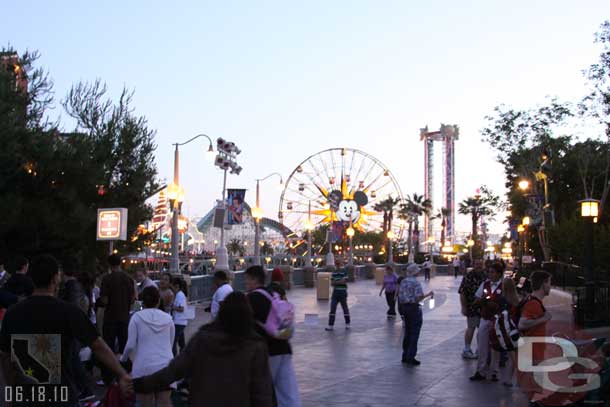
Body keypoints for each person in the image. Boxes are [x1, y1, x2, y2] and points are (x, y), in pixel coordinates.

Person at [0, 255, 132, 407]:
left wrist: (11, 390)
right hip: (61, 396)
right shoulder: (68, 312)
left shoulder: (13, 313)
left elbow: (5, 356)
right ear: (56, 278)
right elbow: (98, 346)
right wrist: (122, 374)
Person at [133, 291, 273, 406]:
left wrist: (141, 384)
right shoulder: (255, 346)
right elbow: (262, 393)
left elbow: (173, 371)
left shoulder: (203, 339)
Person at [246, 266, 300, 407]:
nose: (246, 283)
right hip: (284, 347)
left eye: (247, 279)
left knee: (264, 391)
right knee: (287, 392)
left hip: (268, 351)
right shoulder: (273, 293)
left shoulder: (252, 298)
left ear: (253, 279)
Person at [121, 286, 174, 407]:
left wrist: (123, 359)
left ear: (142, 301)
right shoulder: (168, 318)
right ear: (158, 300)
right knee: (164, 403)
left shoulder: (136, 318)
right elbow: (170, 344)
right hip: (166, 366)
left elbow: (130, 345)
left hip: (143, 368)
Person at [58, 256, 94, 401]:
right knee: (72, 359)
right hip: (72, 329)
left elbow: (72, 308)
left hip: (70, 329)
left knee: (72, 359)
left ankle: (83, 390)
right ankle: (83, 389)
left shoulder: (72, 286)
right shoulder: (74, 286)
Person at [98, 254, 136, 385]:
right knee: (124, 346)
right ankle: (125, 373)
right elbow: (132, 299)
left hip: (110, 318)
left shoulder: (107, 279)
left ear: (109, 264)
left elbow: (104, 300)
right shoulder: (128, 279)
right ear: (120, 263)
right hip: (124, 318)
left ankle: (108, 377)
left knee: (108, 347)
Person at [517, 271, 552, 404]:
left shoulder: (533, 301)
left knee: (532, 390)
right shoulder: (534, 303)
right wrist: (544, 318)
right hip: (532, 350)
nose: (550, 286)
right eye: (549, 283)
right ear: (543, 284)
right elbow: (522, 324)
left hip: (531, 349)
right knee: (532, 390)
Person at [470, 262, 506, 382]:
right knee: (482, 344)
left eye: (492, 272)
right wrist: (482, 302)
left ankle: (494, 372)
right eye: (489, 272)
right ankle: (481, 371)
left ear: (499, 274)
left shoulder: (504, 285)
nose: (490, 274)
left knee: (496, 345)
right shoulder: (485, 284)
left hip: (498, 320)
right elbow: (477, 298)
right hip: (485, 318)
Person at [398, 264, 433, 365]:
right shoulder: (416, 283)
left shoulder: (403, 281)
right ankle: (411, 356)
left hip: (404, 307)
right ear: (415, 272)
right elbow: (419, 298)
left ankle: (405, 355)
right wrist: (429, 295)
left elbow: (400, 295)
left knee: (407, 332)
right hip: (414, 308)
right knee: (414, 332)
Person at [458, 261, 487, 359]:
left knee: (482, 330)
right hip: (472, 306)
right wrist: (464, 307)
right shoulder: (469, 276)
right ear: (474, 264)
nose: (479, 265)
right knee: (471, 327)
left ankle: (480, 349)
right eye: (477, 263)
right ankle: (466, 349)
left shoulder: (485, 275)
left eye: (480, 263)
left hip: (484, 307)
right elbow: (462, 292)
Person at [499, 277, 521, 388]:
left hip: (506, 331)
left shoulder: (502, 300)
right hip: (515, 331)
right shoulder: (516, 300)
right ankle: (509, 379)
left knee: (513, 357)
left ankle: (514, 380)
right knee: (515, 356)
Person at [325, 259, 350, 331]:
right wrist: (340, 281)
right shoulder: (334, 272)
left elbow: (344, 281)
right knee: (332, 309)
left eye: (338, 263)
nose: (337, 264)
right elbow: (332, 283)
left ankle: (347, 324)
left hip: (342, 293)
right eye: (336, 263)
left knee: (345, 308)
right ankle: (330, 325)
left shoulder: (344, 271)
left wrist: (336, 282)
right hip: (335, 293)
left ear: (341, 263)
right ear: (335, 264)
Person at [171, 277, 188, 355]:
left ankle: (174, 359)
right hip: (180, 321)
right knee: (181, 343)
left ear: (176, 286)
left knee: (173, 342)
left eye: (172, 287)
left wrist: (173, 307)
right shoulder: (178, 294)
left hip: (179, 322)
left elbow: (181, 309)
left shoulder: (180, 295)